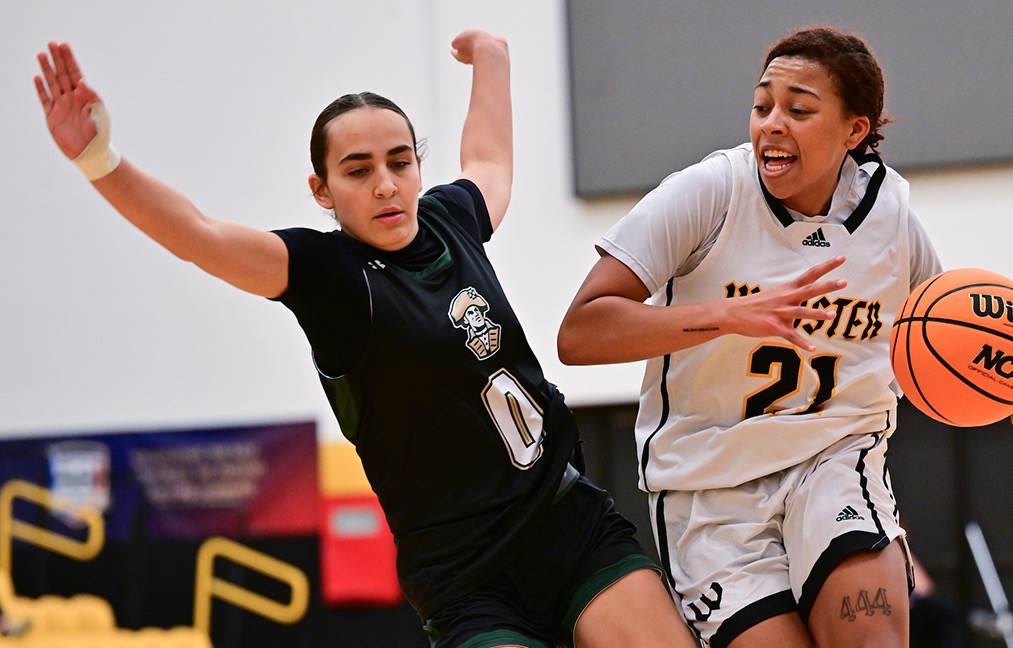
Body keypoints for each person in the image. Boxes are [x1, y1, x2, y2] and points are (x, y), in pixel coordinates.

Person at [34, 31, 698, 648]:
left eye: (399, 162)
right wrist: (98, 158)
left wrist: (492, 57)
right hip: (466, 575)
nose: (385, 184)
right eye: (357, 170)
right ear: (321, 190)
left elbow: (489, 159)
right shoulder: (331, 277)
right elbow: (199, 236)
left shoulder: (451, 219)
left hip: (565, 523)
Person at [558, 25, 1013, 648]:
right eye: (762, 104)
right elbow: (579, 332)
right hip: (712, 490)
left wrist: (1010, 369)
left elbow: (947, 332)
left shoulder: (889, 219)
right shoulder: (709, 193)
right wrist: (727, 316)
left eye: (798, 109)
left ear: (854, 130)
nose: (772, 123)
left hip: (834, 459)